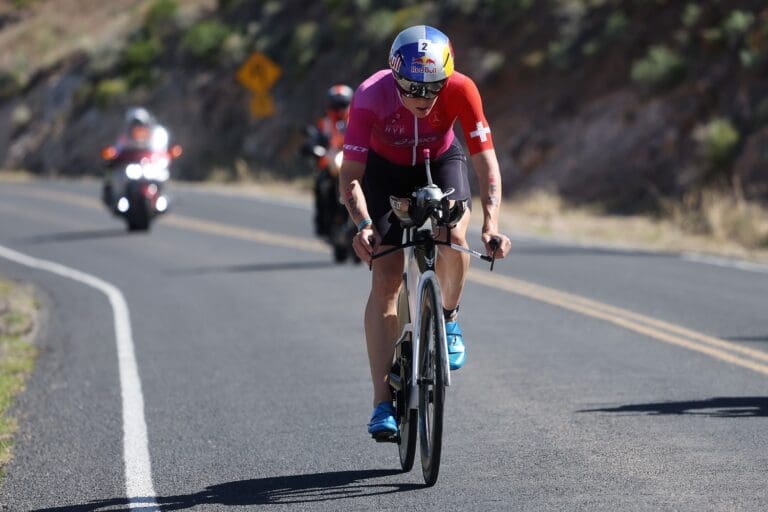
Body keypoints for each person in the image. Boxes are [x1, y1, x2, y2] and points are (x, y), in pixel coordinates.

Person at [338, 25, 512, 437]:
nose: (422, 99)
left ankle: (448, 319)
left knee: (453, 235)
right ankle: (381, 402)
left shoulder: (462, 89)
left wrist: (492, 225)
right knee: (386, 273)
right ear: (395, 77)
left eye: (433, 88)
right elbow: (350, 177)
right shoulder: (369, 96)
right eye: (412, 89)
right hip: (384, 172)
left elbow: (486, 164)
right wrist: (363, 225)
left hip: (441, 160)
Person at [305, 85, 354, 236]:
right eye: (335, 105)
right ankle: (321, 223)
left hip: (351, 164)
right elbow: (314, 139)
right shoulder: (324, 123)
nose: (339, 109)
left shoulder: (356, 121)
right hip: (329, 165)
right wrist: (313, 148)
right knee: (321, 185)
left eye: (343, 104)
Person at [102, 107, 171, 208]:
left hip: (148, 167)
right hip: (130, 168)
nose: (138, 127)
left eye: (140, 124)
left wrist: (164, 157)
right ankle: (117, 199)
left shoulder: (155, 136)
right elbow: (117, 151)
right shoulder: (124, 137)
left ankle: (160, 199)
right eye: (135, 124)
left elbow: (161, 151)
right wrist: (114, 157)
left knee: (162, 176)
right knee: (113, 178)